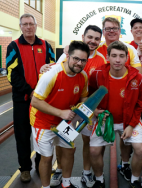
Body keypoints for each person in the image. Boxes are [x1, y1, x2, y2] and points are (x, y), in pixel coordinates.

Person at [40, 25, 106, 187]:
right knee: (63, 141)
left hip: (85, 108)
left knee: (87, 141)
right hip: (66, 108)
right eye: (90, 37)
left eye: (97, 38)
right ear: (83, 36)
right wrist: (44, 68)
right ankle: (60, 171)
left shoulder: (101, 60)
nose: (93, 41)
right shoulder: (66, 55)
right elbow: (54, 72)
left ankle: (86, 172)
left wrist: (94, 108)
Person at [30, 41, 90, 188]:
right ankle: (45, 187)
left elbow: (83, 97)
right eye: (76, 58)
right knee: (47, 157)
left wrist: (85, 110)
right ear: (67, 56)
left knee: (69, 150)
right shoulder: (51, 75)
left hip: (65, 123)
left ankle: (66, 183)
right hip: (42, 122)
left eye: (83, 60)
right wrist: (60, 112)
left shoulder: (83, 76)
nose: (79, 63)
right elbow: (35, 101)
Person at [89, 41, 142, 188]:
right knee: (94, 150)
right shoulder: (97, 74)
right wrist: (94, 111)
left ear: (127, 57)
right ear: (107, 57)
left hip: (128, 120)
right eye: (114, 55)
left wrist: (131, 124)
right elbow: (89, 96)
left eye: (121, 56)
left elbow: (141, 103)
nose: (117, 60)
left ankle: (134, 179)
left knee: (140, 149)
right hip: (104, 120)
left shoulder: (137, 77)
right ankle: (99, 180)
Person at [6, 13, 55, 182]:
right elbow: (11, 74)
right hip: (22, 99)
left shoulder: (45, 45)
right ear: (20, 26)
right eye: (25, 24)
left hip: (43, 100)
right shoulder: (14, 46)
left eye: (31, 24)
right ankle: (25, 168)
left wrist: (41, 92)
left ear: (35, 26)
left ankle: (41, 165)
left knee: (42, 133)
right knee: (23, 135)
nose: (28, 27)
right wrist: (30, 91)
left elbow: (53, 68)